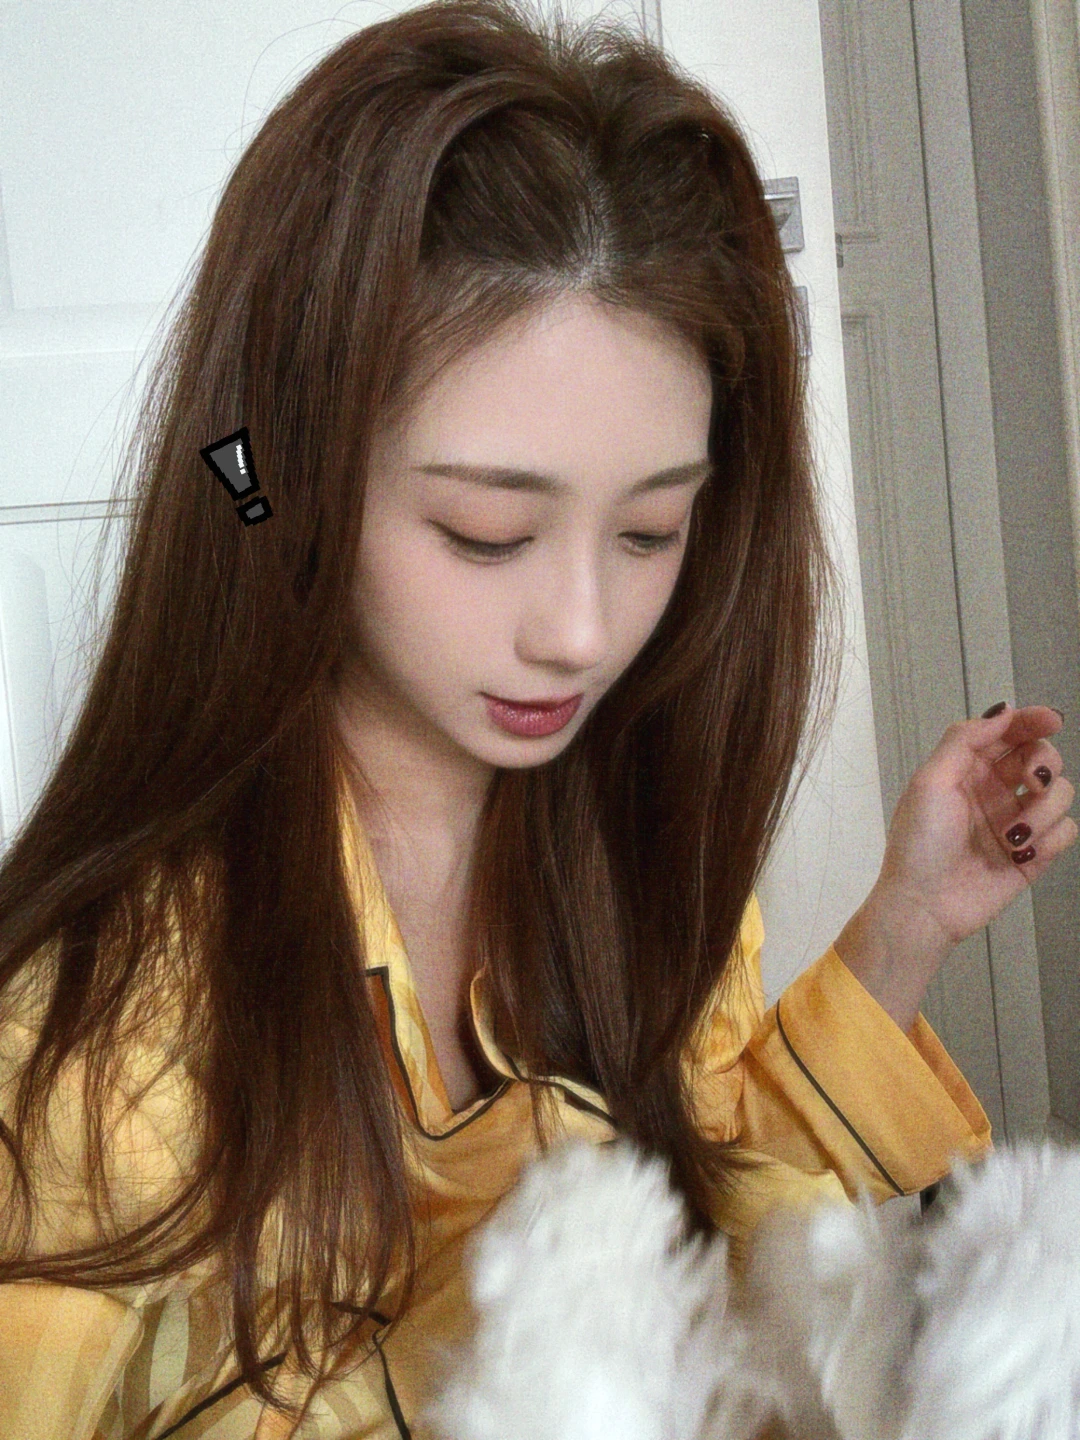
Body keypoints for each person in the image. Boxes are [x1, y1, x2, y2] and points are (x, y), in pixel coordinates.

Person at [0, 1, 1073, 1435]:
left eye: (649, 532)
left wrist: (907, 923)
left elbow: (710, 1223)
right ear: (291, 481)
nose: (581, 630)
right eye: (487, 532)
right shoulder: (102, 1041)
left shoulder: (623, 847)